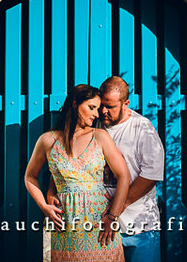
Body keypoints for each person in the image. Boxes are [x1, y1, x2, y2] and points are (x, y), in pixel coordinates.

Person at [25, 83, 131, 261]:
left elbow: (124, 176)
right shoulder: (47, 140)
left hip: (99, 226)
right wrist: (44, 206)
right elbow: (30, 177)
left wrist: (112, 217)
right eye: (92, 107)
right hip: (63, 225)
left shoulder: (100, 136)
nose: (96, 114)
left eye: (97, 109)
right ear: (75, 103)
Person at [95, 76, 165, 262]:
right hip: (100, 227)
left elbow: (151, 175)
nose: (103, 111)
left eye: (110, 107)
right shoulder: (94, 125)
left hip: (139, 226)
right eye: (101, 105)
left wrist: (116, 210)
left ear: (125, 104)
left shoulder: (142, 128)